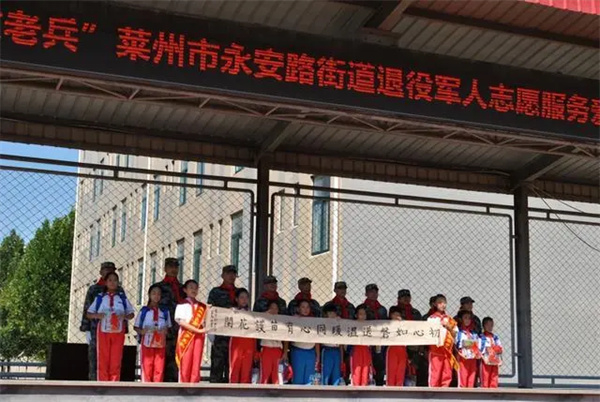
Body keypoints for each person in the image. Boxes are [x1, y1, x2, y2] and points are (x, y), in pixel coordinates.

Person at [86, 272, 135, 381]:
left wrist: (125, 316)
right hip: (103, 331)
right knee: (103, 358)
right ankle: (102, 384)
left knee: (116, 358)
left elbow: (131, 314)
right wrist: (97, 315)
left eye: (115, 280)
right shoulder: (100, 297)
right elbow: (89, 313)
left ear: (118, 282)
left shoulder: (122, 298)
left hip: (118, 331)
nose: (112, 282)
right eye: (110, 280)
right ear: (106, 282)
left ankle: (114, 383)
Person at [80, 261, 122, 380]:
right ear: (100, 272)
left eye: (111, 270)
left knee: (114, 359)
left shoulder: (119, 290)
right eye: (106, 270)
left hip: (115, 330)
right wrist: (86, 328)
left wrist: (124, 328)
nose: (109, 272)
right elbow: (87, 308)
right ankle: (95, 383)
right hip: (96, 328)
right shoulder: (94, 289)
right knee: (96, 357)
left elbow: (123, 310)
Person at [152, 257, 186, 382]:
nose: (173, 269)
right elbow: (152, 307)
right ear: (165, 268)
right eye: (170, 266)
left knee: (177, 359)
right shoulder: (158, 288)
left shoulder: (183, 289)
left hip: (179, 329)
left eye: (176, 267)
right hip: (163, 329)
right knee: (161, 359)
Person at [134, 284, 172, 382]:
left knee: (159, 366)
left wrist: (164, 331)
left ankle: (157, 387)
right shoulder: (144, 311)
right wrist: (142, 331)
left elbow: (168, 327)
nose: (156, 296)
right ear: (149, 295)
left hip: (160, 343)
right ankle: (146, 387)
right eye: (154, 293)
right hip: (147, 342)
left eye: (158, 294)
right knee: (147, 365)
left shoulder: (164, 311)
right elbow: (136, 326)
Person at [207, 265, 238, 383]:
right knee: (217, 365)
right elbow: (210, 311)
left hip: (235, 335)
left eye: (233, 274)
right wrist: (211, 333)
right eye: (228, 273)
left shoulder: (239, 292)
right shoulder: (215, 292)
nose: (231, 276)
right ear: (223, 275)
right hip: (219, 334)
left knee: (231, 365)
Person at [175, 279, 208, 383]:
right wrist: (197, 330)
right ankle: (183, 387)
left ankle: (194, 386)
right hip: (186, 335)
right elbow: (181, 322)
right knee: (186, 361)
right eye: (191, 287)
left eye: (196, 288)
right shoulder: (181, 304)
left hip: (199, 336)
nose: (194, 290)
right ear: (185, 290)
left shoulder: (202, 306)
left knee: (196, 361)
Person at [427, 294, 458, 387]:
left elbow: (455, 334)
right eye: (440, 302)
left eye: (444, 302)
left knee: (447, 375)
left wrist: (449, 327)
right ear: (435, 304)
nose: (442, 305)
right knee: (435, 375)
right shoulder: (431, 318)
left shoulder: (450, 319)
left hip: (447, 352)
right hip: (436, 351)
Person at [290, 299, 320, 385]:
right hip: (298, 351)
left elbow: (316, 339)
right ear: (298, 309)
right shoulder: (293, 320)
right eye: (303, 307)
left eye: (307, 307)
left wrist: (317, 355)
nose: (305, 309)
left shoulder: (314, 321)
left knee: (310, 377)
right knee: (298, 375)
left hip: (311, 352)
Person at [229, 288, 256, 383]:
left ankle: (246, 394)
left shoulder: (253, 314)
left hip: (249, 343)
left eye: (246, 297)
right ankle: (232, 393)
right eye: (241, 297)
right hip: (236, 343)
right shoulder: (231, 312)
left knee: (247, 369)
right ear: (236, 299)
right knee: (235, 367)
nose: (244, 300)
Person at [363, 283, 387, 386]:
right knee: (366, 365)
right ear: (366, 293)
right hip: (366, 342)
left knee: (380, 365)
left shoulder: (382, 309)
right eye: (370, 292)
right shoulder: (362, 309)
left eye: (375, 292)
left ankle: (379, 385)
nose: (373, 294)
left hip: (379, 342)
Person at [260, 301, 285, 384]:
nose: (274, 310)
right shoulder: (263, 320)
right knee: (265, 374)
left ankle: (277, 394)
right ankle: (262, 394)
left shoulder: (282, 321)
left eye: (276, 308)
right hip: (267, 350)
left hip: (277, 350)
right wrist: (265, 315)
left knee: (276, 375)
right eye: (271, 308)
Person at [349, 304, 373, 386]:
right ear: (356, 315)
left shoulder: (370, 326)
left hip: (366, 350)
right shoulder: (352, 325)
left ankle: (364, 391)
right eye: (360, 314)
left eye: (364, 314)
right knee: (357, 371)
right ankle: (355, 393)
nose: (363, 316)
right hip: (356, 350)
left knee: (365, 371)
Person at [455, 310, 481, 388]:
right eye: (465, 318)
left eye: (469, 318)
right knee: (463, 377)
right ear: (461, 319)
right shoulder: (458, 332)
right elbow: (456, 345)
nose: (467, 320)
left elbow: (477, 345)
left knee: (472, 377)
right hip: (462, 358)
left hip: (472, 358)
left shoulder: (474, 333)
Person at [320, 303, 344, 386]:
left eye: (333, 313)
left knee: (336, 373)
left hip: (336, 350)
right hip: (327, 350)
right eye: (329, 313)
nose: (332, 315)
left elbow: (341, 344)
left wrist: (342, 359)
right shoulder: (322, 324)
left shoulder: (339, 323)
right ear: (325, 314)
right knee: (326, 373)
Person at [386, 306, 408, 387]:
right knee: (391, 370)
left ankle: (399, 387)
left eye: (399, 315)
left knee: (400, 371)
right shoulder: (386, 326)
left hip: (402, 349)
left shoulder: (404, 325)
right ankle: (390, 388)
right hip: (392, 348)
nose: (397, 317)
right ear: (391, 316)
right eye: (395, 314)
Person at [479, 317, 503, 388]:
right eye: (488, 325)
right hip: (485, 361)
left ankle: (493, 392)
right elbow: (479, 348)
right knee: (485, 376)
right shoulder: (481, 337)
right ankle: (485, 392)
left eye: (491, 325)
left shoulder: (495, 337)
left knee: (494, 376)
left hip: (494, 361)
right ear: (484, 326)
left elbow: (500, 348)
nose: (490, 327)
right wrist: (484, 356)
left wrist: (497, 350)